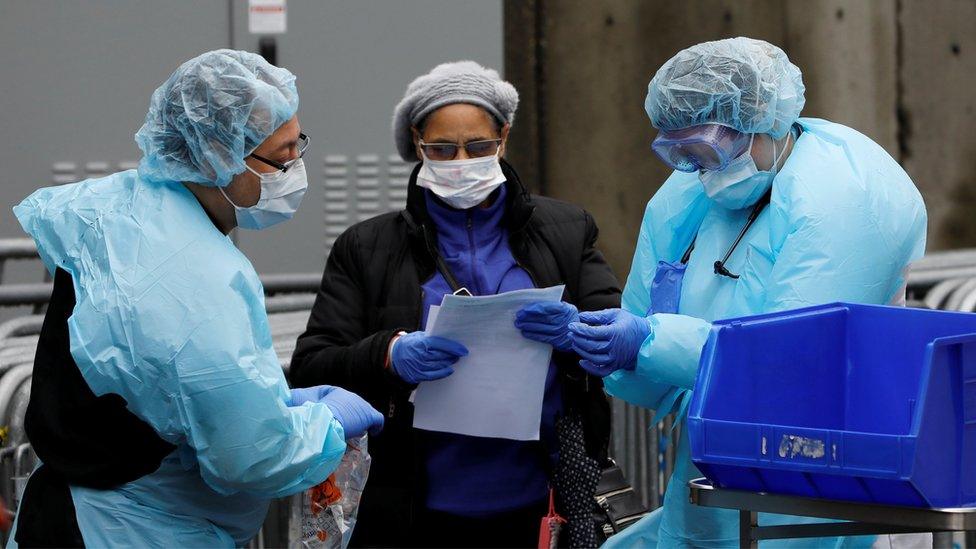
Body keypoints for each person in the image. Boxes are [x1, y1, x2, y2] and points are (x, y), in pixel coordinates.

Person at [9, 49, 384, 547]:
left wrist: (267, 401)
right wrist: (327, 424)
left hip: (65, 510)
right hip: (137, 528)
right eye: (281, 156)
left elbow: (154, 386)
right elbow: (251, 457)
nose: (295, 168)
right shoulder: (196, 275)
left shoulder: (120, 209)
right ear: (217, 156)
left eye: (300, 146)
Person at [567, 38, 927, 548]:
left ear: (764, 119)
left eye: (711, 149)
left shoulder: (845, 195)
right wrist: (601, 346)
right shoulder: (685, 198)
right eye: (682, 154)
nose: (703, 170)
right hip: (714, 471)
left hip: (824, 479)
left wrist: (650, 341)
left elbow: (791, 361)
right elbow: (648, 375)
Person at [290, 60, 619, 548]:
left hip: (540, 498)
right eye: (442, 149)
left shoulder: (566, 231)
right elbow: (313, 364)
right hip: (412, 505)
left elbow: (618, 332)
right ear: (417, 145)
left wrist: (580, 333)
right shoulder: (367, 247)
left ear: (503, 137)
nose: (462, 160)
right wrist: (389, 352)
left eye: (479, 146)